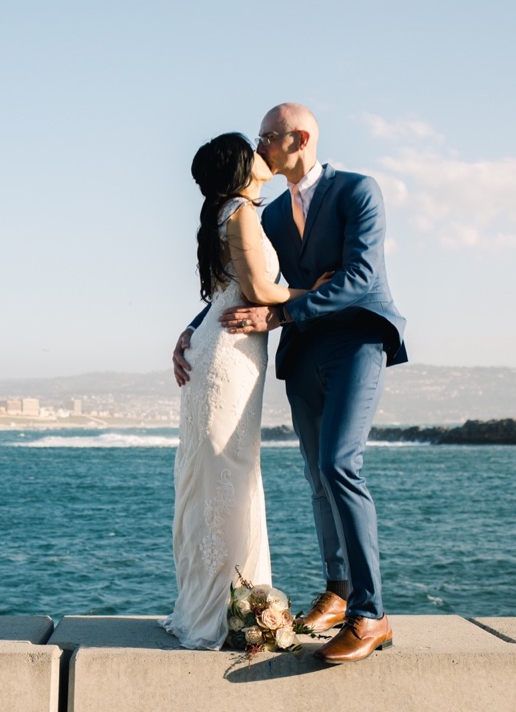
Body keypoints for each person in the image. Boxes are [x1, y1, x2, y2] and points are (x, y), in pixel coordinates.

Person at [172, 103, 407, 664]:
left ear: (296, 139)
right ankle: (338, 589)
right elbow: (235, 282)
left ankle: (370, 614)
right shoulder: (266, 213)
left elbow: (362, 277)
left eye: (265, 138)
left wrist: (278, 316)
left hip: (355, 343)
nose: (259, 149)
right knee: (315, 473)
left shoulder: (357, 191)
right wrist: (187, 330)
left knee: (338, 464)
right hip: (302, 351)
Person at [160, 133, 331, 650]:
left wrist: (189, 329)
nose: (263, 153)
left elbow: (228, 291)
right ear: (241, 167)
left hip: (221, 349)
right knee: (229, 474)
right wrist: (320, 290)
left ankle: (219, 604)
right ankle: (229, 609)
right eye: (252, 149)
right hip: (227, 358)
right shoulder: (241, 212)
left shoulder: (227, 211)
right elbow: (259, 292)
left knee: (220, 475)